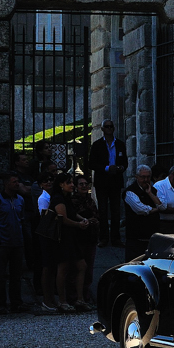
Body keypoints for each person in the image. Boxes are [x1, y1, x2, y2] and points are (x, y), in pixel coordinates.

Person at [49, 173, 91, 313]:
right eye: (69, 183)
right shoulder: (58, 199)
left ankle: (79, 299)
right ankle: (62, 301)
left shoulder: (65, 198)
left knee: (81, 266)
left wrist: (83, 220)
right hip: (63, 238)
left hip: (70, 237)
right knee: (63, 268)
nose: (72, 185)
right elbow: (64, 219)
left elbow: (72, 214)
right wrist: (79, 224)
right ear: (61, 184)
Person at [88, 119, 128, 248]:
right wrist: (106, 168)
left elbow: (125, 162)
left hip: (116, 181)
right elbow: (91, 163)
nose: (109, 128)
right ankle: (103, 237)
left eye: (111, 126)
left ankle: (116, 238)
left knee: (116, 210)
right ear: (102, 129)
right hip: (102, 182)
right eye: (107, 126)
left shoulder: (120, 144)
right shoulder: (97, 145)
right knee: (103, 210)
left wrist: (120, 168)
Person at [0, 172, 27, 315]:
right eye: (14, 182)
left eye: (17, 182)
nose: (17, 184)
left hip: (17, 242)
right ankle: (0, 304)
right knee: (0, 275)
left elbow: (22, 219)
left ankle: (16, 303)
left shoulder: (20, 200)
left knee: (16, 275)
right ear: (6, 184)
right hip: (2, 242)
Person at [124, 165, 166, 261]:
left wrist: (150, 194)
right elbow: (141, 210)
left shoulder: (154, 190)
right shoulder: (130, 192)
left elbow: (163, 206)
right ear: (137, 177)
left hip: (151, 236)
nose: (146, 180)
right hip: (136, 238)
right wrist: (156, 209)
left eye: (148, 177)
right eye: (143, 177)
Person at [71, 174, 100, 305]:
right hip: (78, 238)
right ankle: (76, 295)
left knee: (89, 269)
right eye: (81, 184)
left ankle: (86, 294)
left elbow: (95, 215)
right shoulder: (73, 201)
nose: (84, 186)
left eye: (85, 184)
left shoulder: (90, 200)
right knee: (78, 268)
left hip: (91, 238)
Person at [34, 171, 57, 312]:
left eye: (50, 180)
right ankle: (47, 300)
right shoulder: (43, 198)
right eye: (45, 181)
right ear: (41, 184)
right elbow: (45, 217)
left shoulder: (51, 196)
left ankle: (51, 298)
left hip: (51, 234)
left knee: (51, 268)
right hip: (47, 234)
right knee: (47, 267)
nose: (48, 182)